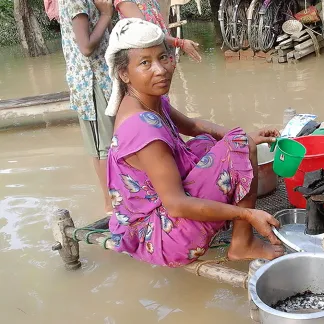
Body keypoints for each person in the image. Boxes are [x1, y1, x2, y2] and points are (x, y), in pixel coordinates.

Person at [104, 18, 284, 267]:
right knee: (239, 148)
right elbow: (176, 205)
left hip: (155, 212)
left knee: (207, 143)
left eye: (163, 58)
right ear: (124, 73)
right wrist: (246, 214)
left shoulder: (149, 101)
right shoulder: (141, 127)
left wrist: (243, 137)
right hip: (161, 236)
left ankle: (234, 224)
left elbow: (194, 126)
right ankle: (242, 244)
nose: (160, 69)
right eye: (145, 63)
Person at [59, 0, 115, 215]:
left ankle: (112, 201)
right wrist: (106, 15)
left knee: (102, 146)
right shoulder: (76, 1)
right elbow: (86, 47)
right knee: (105, 147)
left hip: (97, 80)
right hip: (92, 81)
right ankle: (112, 203)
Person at [114, 0, 202, 62]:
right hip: (147, 59)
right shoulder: (124, 1)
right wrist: (180, 43)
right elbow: (147, 33)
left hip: (163, 55)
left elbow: (161, 28)